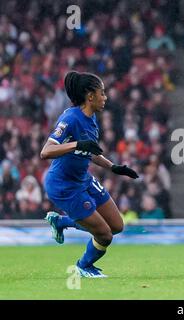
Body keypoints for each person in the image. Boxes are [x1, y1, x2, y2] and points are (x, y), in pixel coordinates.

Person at [40, 71, 139, 278]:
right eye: (102, 93)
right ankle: (83, 266)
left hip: (84, 179)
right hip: (64, 186)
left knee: (117, 226)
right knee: (104, 234)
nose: (106, 97)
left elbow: (89, 152)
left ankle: (61, 222)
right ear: (90, 96)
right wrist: (76, 144)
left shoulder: (92, 118)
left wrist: (114, 168)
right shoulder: (70, 118)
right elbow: (46, 151)